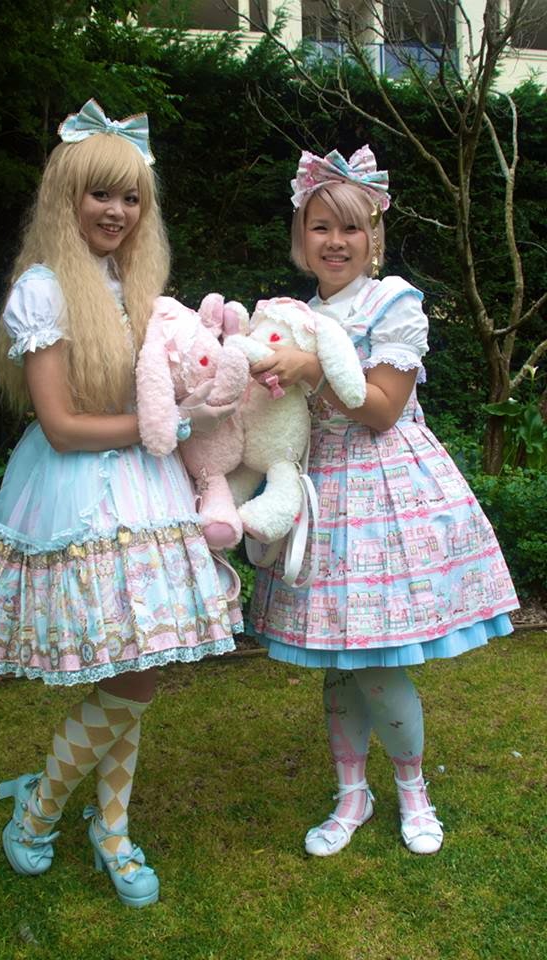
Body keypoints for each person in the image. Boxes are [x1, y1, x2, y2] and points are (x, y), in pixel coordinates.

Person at [0, 99, 241, 907]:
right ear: (66, 199)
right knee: (134, 675)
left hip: (147, 487)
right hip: (83, 492)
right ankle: (42, 810)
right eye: (100, 194)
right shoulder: (43, 291)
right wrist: (169, 423)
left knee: (137, 666)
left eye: (131, 198)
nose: (117, 211)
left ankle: (107, 826)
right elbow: (62, 425)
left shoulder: (135, 285)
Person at [247, 145, 518, 857]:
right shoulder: (294, 314)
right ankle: (351, 794)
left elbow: (383, 409)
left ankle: (413, 789)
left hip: (384, 492)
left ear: (374, 235)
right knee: (339, 662)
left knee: (378, 660)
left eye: (351, 227)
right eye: (320, 227)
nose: (335, 241)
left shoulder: (393, 302)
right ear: (301, 237)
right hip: (321, 494)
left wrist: (309, 369)